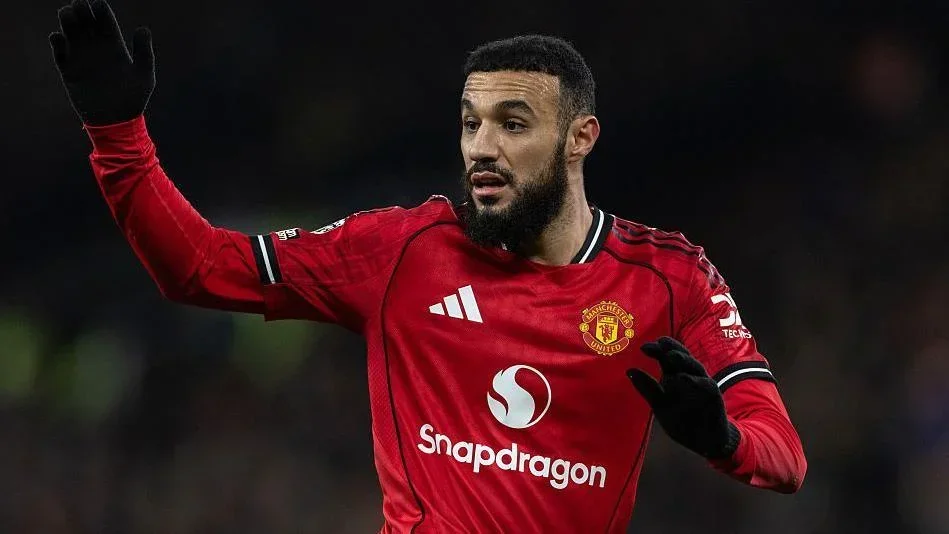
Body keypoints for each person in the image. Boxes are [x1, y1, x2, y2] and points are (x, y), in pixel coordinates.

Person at [49, 0, 807, 531]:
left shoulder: (667, 278)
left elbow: (784, 458)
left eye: (513, 124)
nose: (482, 147)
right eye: (471, 124)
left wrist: (720, 438)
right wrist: (119, 136)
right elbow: (201, 268)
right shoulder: (403, 250)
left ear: (580, 138)